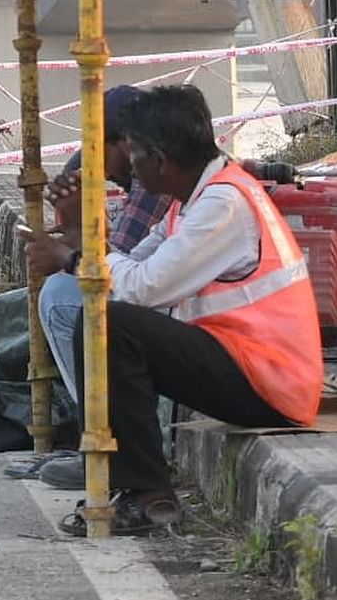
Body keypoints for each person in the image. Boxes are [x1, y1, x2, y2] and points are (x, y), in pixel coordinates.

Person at [18, 81, 320, 523]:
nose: (132, 170)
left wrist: (79, 252)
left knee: (113, 326)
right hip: (242, 361)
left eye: (134, 155)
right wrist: (79, 240)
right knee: (106, 318)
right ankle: (136, 482)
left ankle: (147, 493)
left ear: (159, 159)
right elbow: (129, 268)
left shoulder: (223, 205)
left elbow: (142, 288)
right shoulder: (194, 199)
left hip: (268, 381)